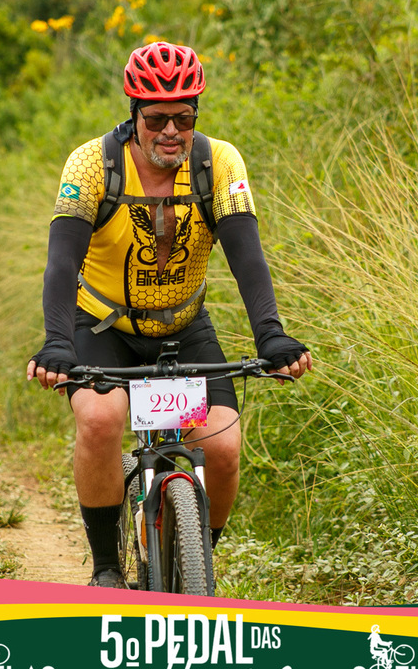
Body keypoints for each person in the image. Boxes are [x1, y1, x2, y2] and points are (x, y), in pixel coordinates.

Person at [25, 42, 312, 588]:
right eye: (156, 119)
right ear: (133, 115)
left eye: (184, 118)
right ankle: (106, 569)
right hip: (102, 327)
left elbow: (247, 257)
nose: (171, 132)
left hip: (183, 328)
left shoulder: (218, 163)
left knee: (222, 447)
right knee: (100, 419)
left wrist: (272, 336)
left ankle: (193, 558)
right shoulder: (91, 164)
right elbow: (61, 263)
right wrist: (57, 342)